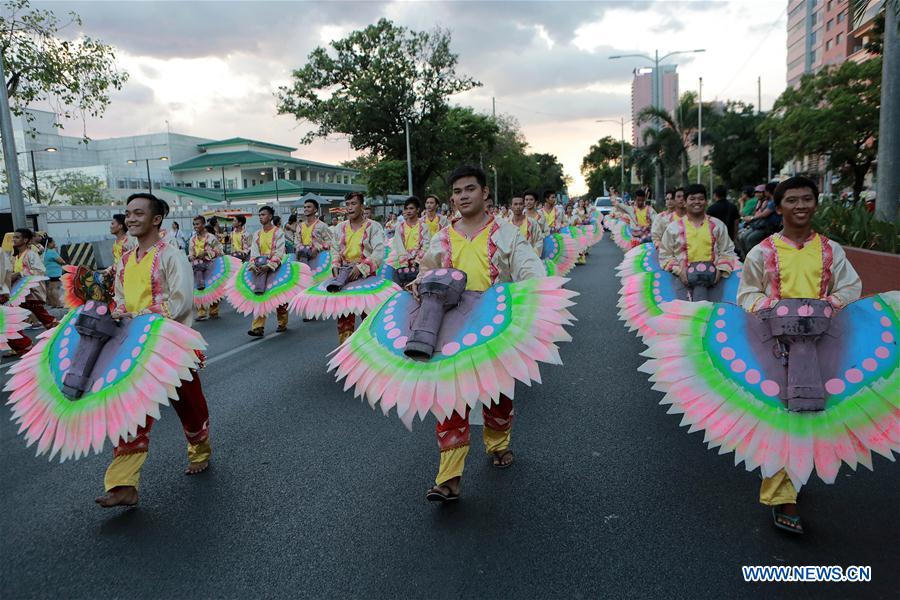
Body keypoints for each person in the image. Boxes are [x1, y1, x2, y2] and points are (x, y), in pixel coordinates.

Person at [736, 176, 861, 534]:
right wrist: (775, 310)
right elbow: (747, 294)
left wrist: (828, 306)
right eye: (792, 200)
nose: (801, 206)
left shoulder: (831, 250)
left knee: (811, 413)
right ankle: (781, 497)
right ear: (779, 207)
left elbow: (850, 287)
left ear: (815, 204)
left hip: (821, 347)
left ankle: (796, 476)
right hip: (773, 347)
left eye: (807, 199)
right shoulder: (762, 251)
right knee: (778, 418)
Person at [412, 166, 545, 502]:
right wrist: (418, 284)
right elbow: (426, 269)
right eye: (456, 192)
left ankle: (498, 444)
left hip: (495, 325)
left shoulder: (506, 234)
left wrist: (534, 294)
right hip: (451, 326)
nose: (463, 196)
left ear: (485, 193)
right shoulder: (442, 236)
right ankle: (449, 477)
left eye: (470, 189)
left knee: (498, 395)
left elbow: (530, 269)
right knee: (450, 398)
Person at [96, 192, 212, 508]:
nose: (130, 219)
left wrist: (140, 314)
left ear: (156, 219)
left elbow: (181, 301)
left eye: (138, 213)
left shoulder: (172, 256)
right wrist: (118, 312)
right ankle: (124, 484)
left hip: (170, 345)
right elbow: (120, 298)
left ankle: (200, 448)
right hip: (133, 347)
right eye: (128, 213)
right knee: (130, 410)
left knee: (189, 404)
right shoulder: (123, 261)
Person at [659, 183, 738, 302]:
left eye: (701, 199)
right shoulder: (673, 228)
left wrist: (720, 270)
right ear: (684, 202)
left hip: (714, 282)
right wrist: (679, 271)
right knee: (686, 317)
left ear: (706, 202)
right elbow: (665, 254)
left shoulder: (718, 226)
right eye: (692, 199)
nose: (697, 202)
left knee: (712, 317)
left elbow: (727, 250)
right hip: (682, 283)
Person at [332, 192, 386, 342]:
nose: (350, 207)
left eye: (353, 204)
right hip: (344, 276)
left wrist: (362, 267)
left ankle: (367, 353)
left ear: (362, 206)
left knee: (368, 316)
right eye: (347, 204)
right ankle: (345, 352)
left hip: (366, 276)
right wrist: (335, 264)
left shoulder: (373, 227)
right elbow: (335, 249)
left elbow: (379, 251)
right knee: (344, 317)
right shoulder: (339, 228)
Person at [5, 228, 57, 357]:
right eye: (14, 237)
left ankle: (60, 335)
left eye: (17, 237)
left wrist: (20, 274)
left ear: (26, 240)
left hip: (32, 293)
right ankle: (22, 345)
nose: (14, 239)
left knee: (44, 318)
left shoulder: (30, 254)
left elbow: (40, 270)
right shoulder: (15, 257)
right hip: (19, 294)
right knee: (12, 319)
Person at [247, 205, 288, 336]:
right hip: (261, 268)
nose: (261, 217)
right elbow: (254, 251)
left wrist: (270, 265)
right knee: (260, 294)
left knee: (279, 296)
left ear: (270, 216)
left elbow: (280, 251)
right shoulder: (257, 234)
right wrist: (254, 264)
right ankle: (258, 327)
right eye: (259, 215)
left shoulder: (278, 232)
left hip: (276, 267)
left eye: (263, 214)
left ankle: (282, 322)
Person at [188, 215, 224, 321]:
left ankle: (214, 311)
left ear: (203, 224)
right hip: (197, 267)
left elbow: (220, 250)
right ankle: (201, 313)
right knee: (199, 289)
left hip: (210, 266)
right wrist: (191, 256)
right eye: (194, 224)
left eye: (197, 224)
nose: (195, 226)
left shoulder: (211, 237)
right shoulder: (192, 239)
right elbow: (190, 252)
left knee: (212, 288)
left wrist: (206, 253)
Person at [389, 196, 431, 282]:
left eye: (411, 208)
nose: (408, 211)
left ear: (418, 210)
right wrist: (405, 261)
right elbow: (398, 246)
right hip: (402, 261)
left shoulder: (424, 226)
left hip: (420, 260)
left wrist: (416, 260)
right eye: (406, 209)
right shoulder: (399, 227)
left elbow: (426, 244)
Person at [737, 182, 780, 256]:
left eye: (760, 192)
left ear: (767, 192)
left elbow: (763, 214)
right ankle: (746, 257)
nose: (757, 194)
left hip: (768, 227)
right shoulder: (764, 201)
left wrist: (751, 218)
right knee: (743, 237)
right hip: (759, 225)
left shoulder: (773, 202)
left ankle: (755, 258)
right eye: (756, 192)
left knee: (750, 239)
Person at [295, 198, 332, 265]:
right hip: (302, 258)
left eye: (309, 207)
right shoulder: (300, 226)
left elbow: (330, 242)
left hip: (318, 259)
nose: (306, 209)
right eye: (305, 207)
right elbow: (296, 242)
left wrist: (317, 249)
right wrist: (299, 249)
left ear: (315, 210)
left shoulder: (322, 225)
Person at [42, 237, 66, 308]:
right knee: (55, 288)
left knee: (50, 289)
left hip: (48, 273)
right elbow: (61, 261)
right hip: (55, 273)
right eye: (53, 242)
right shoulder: (52, 252)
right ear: (49, 243)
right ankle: (58, 304)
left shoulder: (44, 252)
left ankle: (52, 303)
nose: (54, 243)